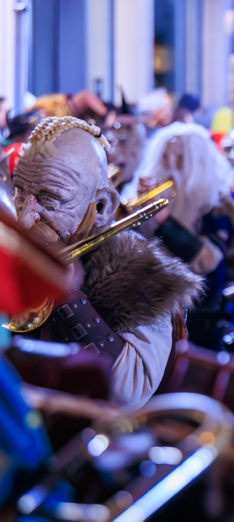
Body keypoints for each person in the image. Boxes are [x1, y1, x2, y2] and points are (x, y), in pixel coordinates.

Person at [12, 116, 202, 408]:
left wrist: (67, 295)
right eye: (19, 195)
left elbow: (129, 391)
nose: (25, 218)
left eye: (49, 200)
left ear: (102, 207)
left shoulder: (140, 274)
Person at [130, 122, 234, 350]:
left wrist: (163, 219)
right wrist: (139, 213)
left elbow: (204, 260)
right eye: (165, 159)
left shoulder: (218, 209)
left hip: (198, 325)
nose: (169, 168)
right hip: (147, 316)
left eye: (179, 161)